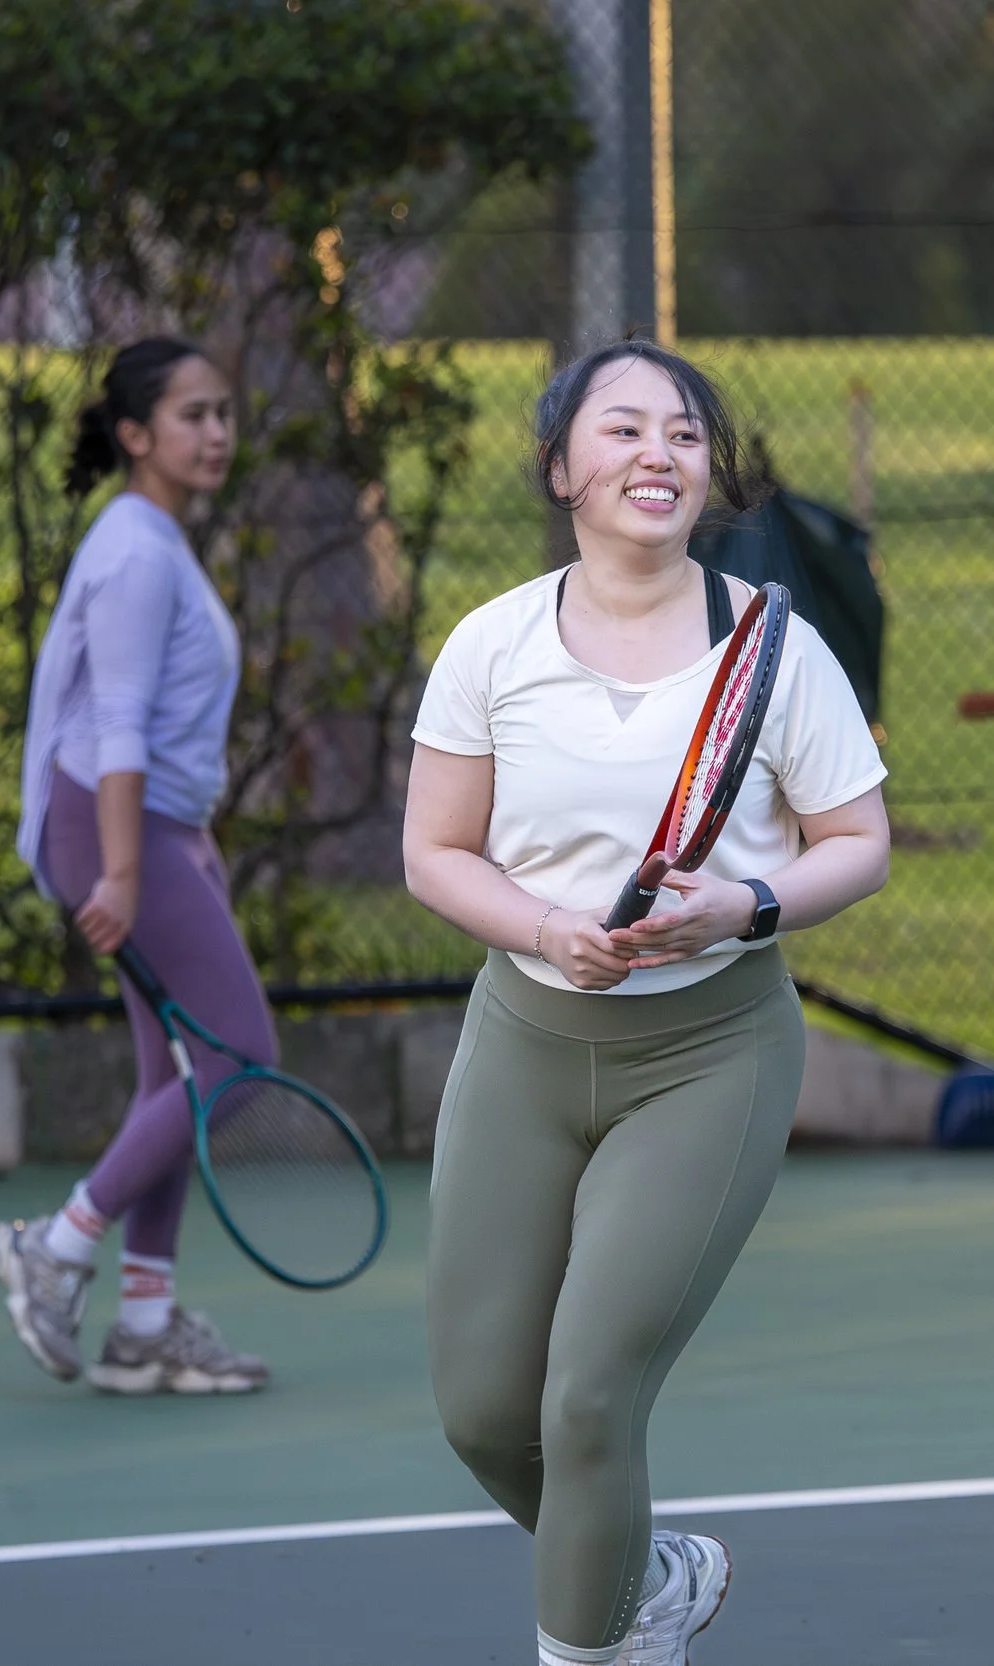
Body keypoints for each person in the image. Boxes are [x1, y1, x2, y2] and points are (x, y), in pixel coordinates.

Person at [403, 341, 892, 1666]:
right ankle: (652, 1576)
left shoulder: (775, 649)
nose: (658, 453)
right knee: (483, 1413)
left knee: (588, 1399)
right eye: (621, 428)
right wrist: (547, 929)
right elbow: (435, 851)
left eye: (683, 433)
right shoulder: (493, 642)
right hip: (524, 1042)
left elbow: (858, 840)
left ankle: (597, 1646)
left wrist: (747, 904)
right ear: (561, 467)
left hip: (710, 1054)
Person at [0, 337, 273, 1397]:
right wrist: (121, 872)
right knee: (236, 1057)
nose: (216, 433)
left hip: (158, 830)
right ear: (134, 434)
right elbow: (114, 724)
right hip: (116, 830)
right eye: (193, 415)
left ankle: (145, 1323)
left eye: (223, 413)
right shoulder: (138, 554)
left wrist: (186, 844)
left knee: (178, 1076)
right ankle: (57, 1246)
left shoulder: (153, 539)